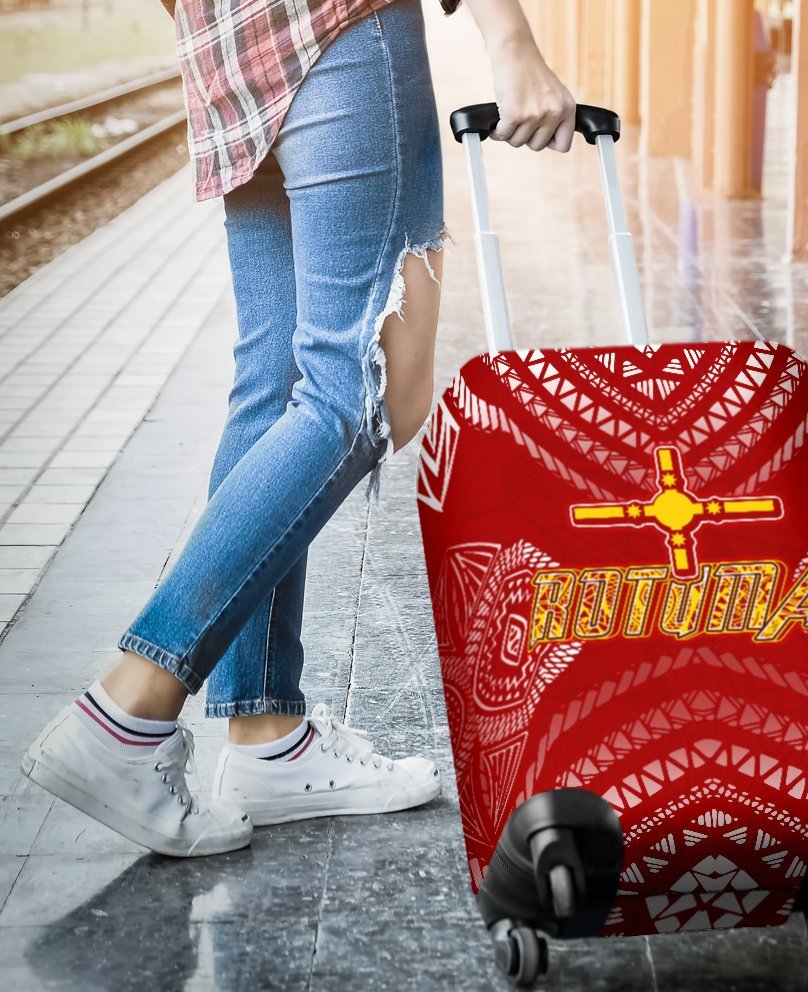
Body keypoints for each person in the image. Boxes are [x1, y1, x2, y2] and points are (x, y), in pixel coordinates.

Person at [21, 0, 576, 857]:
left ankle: (265, 735)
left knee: (276, 385)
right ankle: (127, 711)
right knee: (359, 390)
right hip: (342, 28)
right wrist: (512, 43)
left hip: (229, 52)